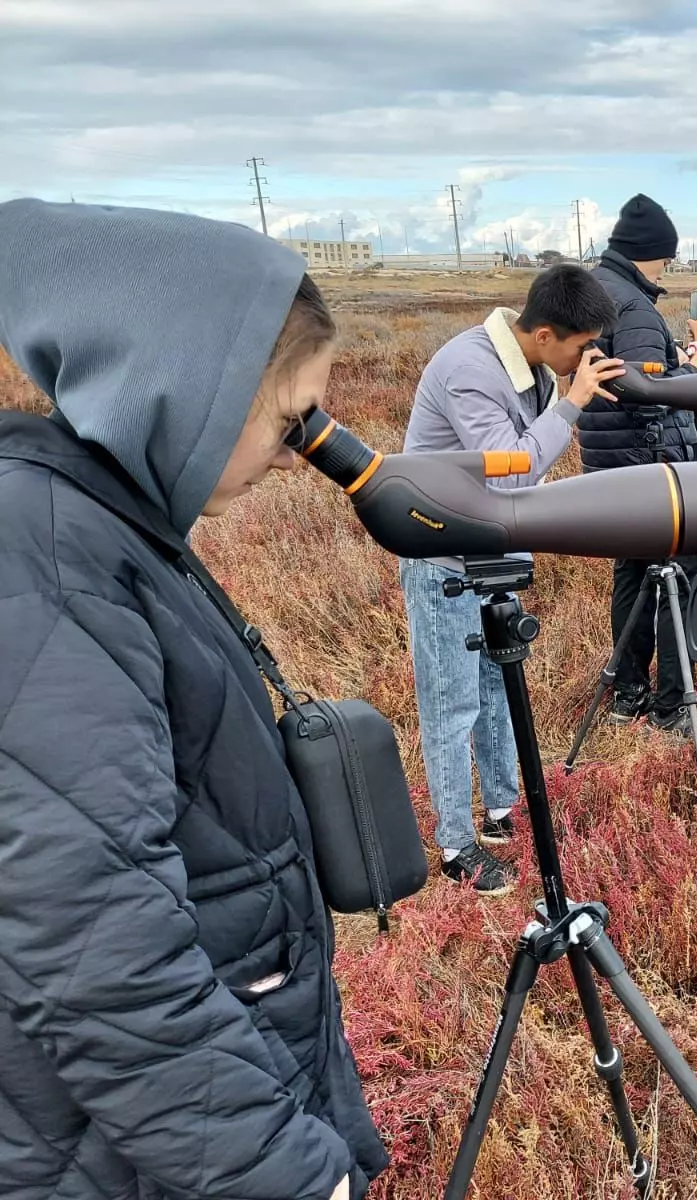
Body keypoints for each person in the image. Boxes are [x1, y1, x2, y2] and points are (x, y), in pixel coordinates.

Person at [0, 199, 385, 1198]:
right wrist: (291, 1177)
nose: (298, 451)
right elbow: (94, 945)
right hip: (127, 1151)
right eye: (287, 417)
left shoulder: (98, 526)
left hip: (179, 1113)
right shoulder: (46, 561)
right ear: (189, 391)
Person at [400, 265, 623, 893]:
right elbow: (508, 474)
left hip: (489, 548)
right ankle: (454, 845)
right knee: (452, 704)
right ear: (546, 333)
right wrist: (573, 403)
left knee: (498, 688)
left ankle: (500, 810)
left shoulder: (528, 364)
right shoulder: (469, 369)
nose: (587, 360)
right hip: (442, 558)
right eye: (581, 348)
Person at [578, 194, 697, 736]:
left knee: (633, 573)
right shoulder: (633, 306)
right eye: (666, 257)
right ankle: (670, 705)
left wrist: (678, 361)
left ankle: (627, 693)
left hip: (611, 463)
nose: (667, 267)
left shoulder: (596, 292)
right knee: (678, 574)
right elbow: (639, 387)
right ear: (648, 253)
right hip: (649, 465)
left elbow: (630, 371)